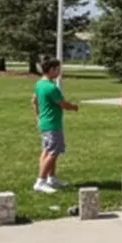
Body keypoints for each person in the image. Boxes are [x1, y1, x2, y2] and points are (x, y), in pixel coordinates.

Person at [31, 57, 79, 194]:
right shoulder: (51, 88)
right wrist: (74, 107)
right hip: (52, 124)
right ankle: (40, 181)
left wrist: (38, 117)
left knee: (47, 151)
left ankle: (51, 178)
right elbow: (63, 104)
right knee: (52, 152)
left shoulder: (39, 84)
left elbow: (33, 101)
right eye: (57, 69)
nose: (59, 72)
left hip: (45, 123)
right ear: (51, 69)